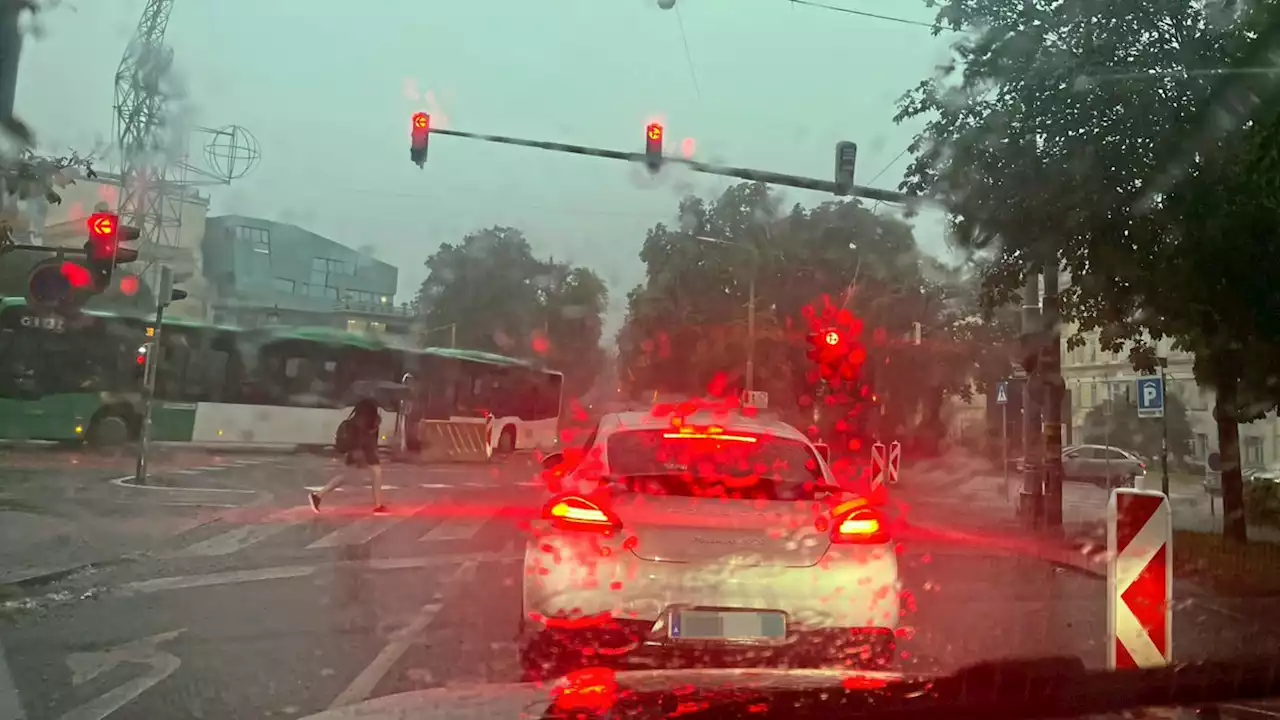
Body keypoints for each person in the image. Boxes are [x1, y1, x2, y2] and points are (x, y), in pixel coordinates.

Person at [310, 397, 386, 514]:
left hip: (362, 452)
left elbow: (370, 440)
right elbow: (364, 440)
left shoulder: (366, 422)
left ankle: (318, 496)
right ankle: (378, 505)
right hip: (359, 452)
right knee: (375, 473)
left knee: (348, 476)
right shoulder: (359, 423)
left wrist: (374, 428)